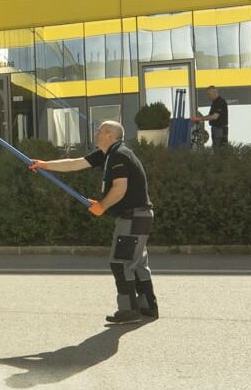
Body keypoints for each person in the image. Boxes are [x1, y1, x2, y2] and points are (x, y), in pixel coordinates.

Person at [29, 120, 156, 324]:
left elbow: (120, 188)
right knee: (137, 263)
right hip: (138, 217)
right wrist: (44, 164)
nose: (96, 133)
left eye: (100, 130)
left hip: (133, 217)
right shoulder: (108, 154)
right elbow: (75, 163)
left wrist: (102, 206)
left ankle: (130, 311)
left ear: (110, 136)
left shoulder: (119, 155)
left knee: (120, 262)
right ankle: (148, 307)